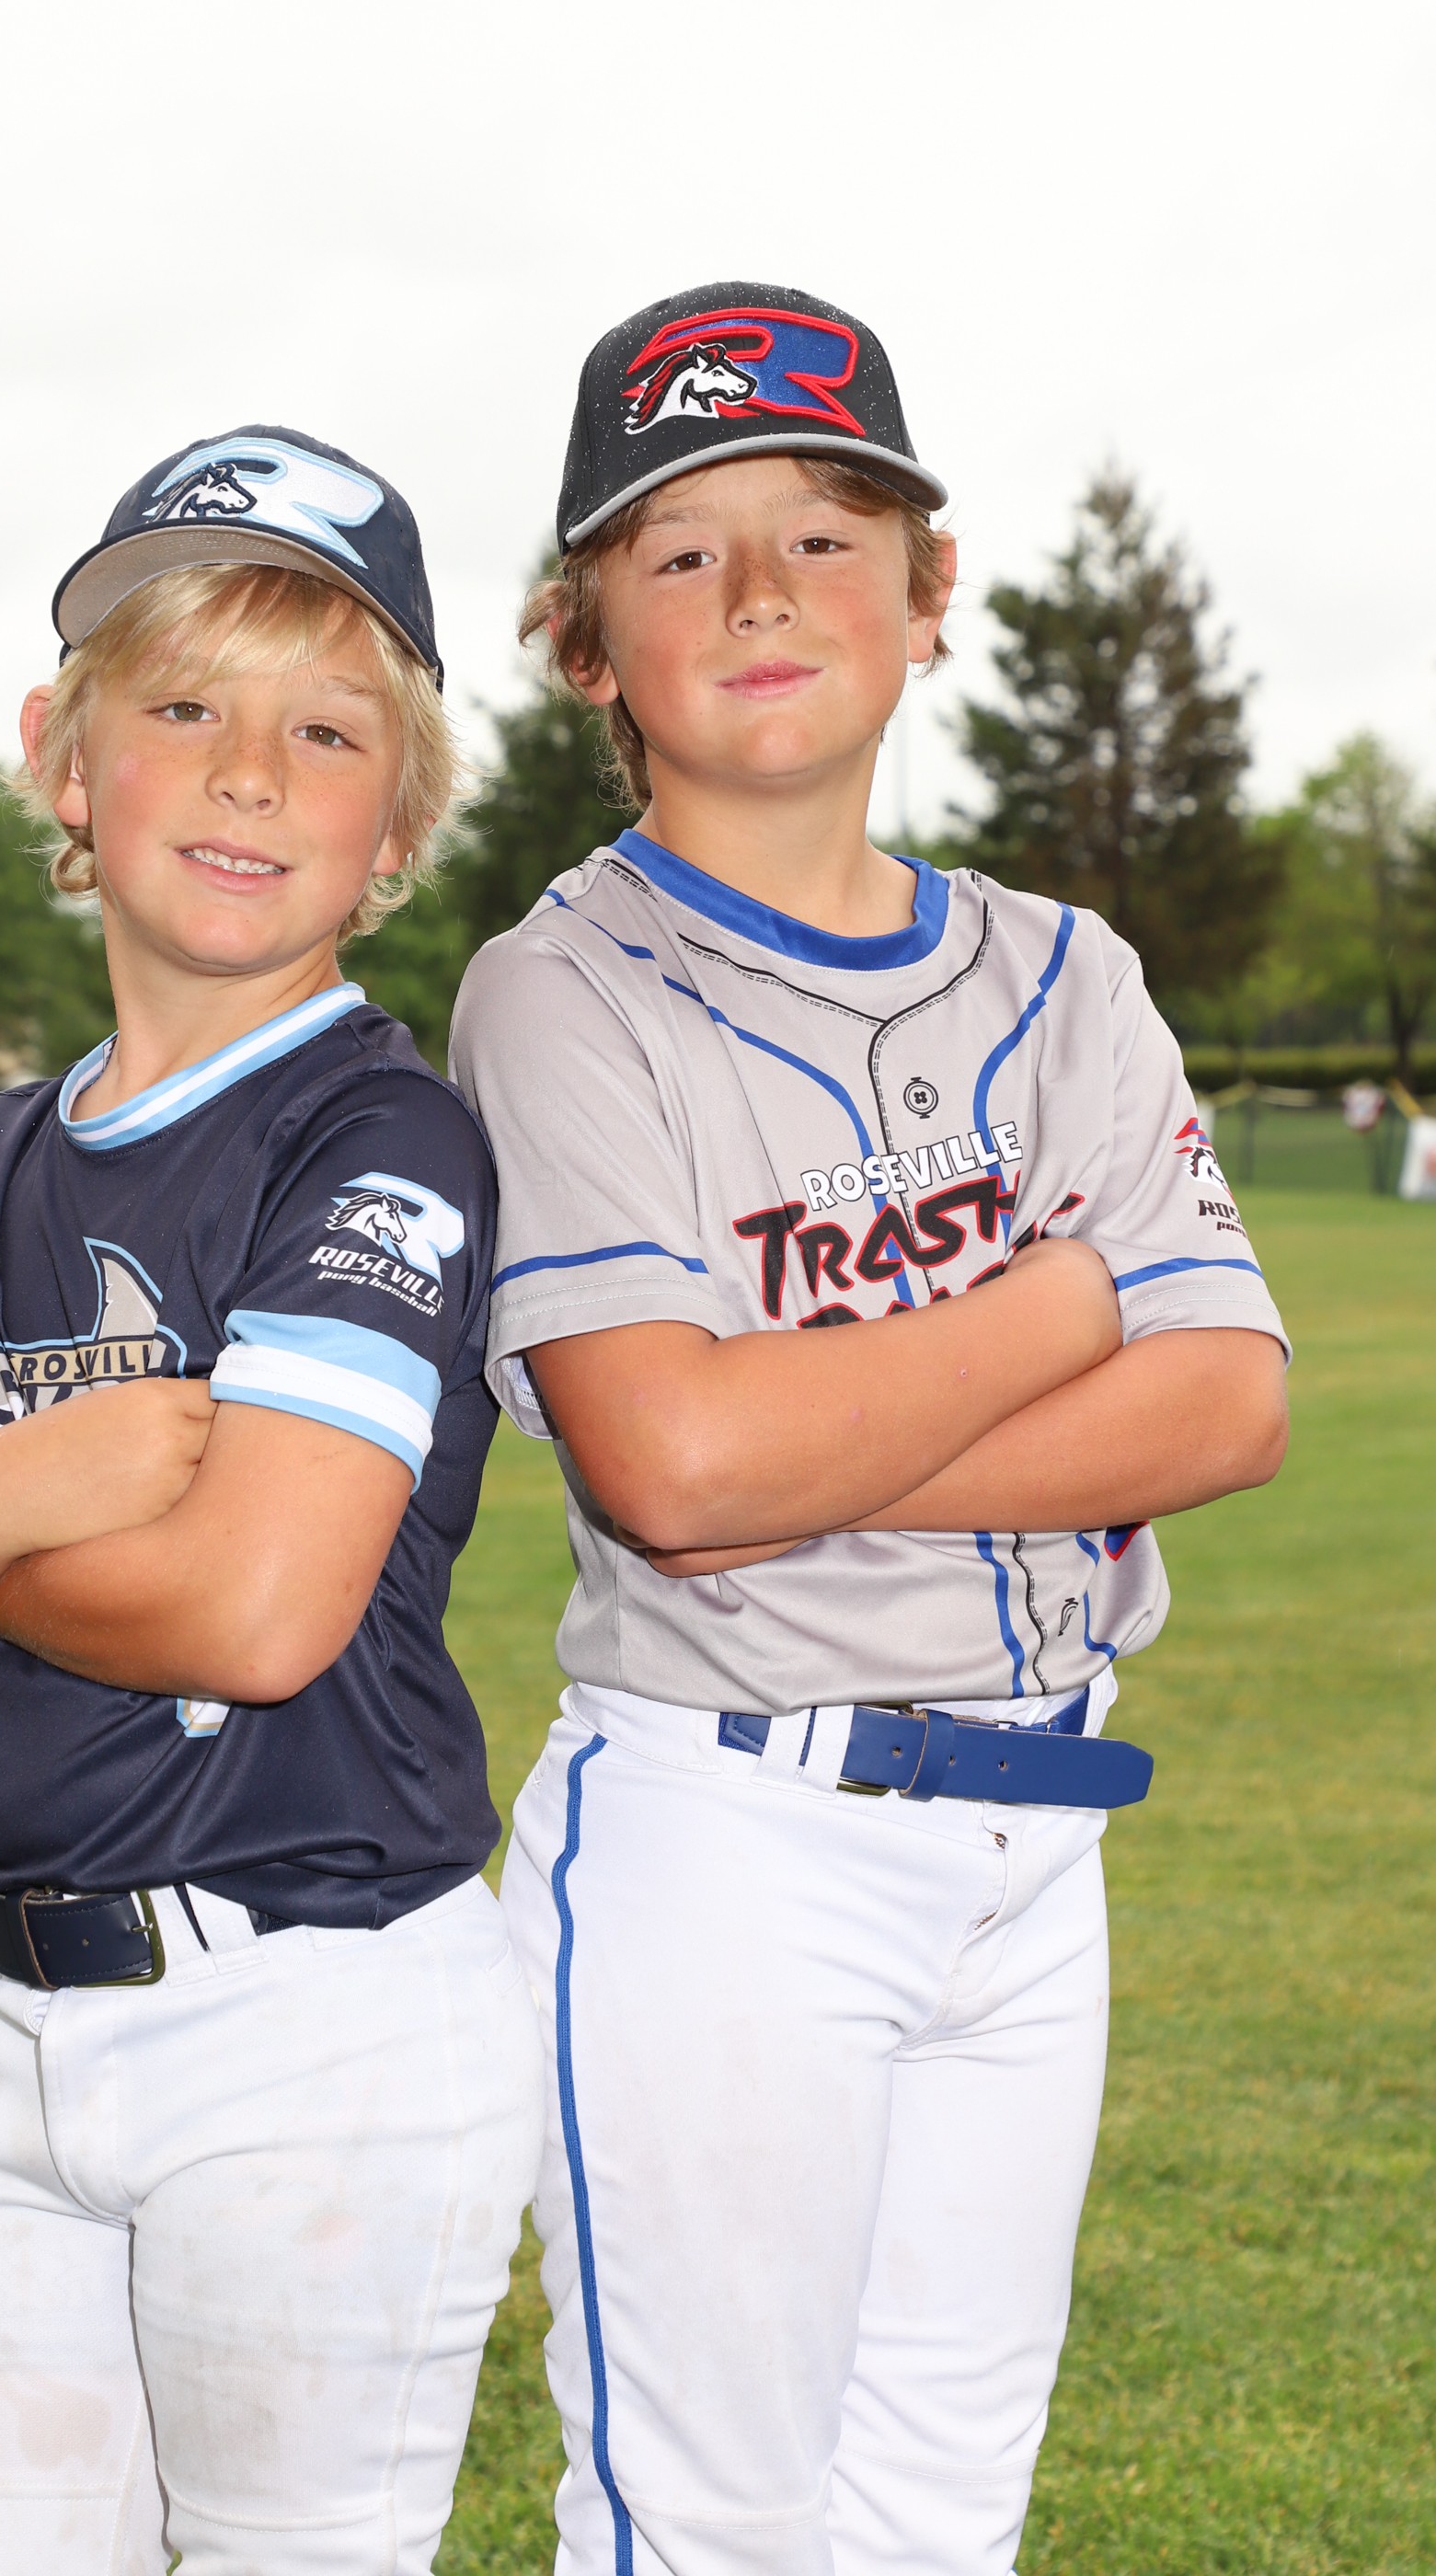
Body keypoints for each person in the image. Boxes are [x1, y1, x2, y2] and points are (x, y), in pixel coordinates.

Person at [449, 283, 1292, 2576]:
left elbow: (1224, 1400)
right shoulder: (557, 990)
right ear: (584, 644)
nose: (756, 589)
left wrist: (776, 1436)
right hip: (734, 1845)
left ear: (927, 598)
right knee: (706, 2527)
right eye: (677, 548)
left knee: (936, 2521)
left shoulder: (1066, 970)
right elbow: (672, 1475)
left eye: (824, 535)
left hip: (1037, 1840)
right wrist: (1061, 1297)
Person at [0, 427, 544, 2576]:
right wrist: (18, 1489)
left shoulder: (373, 1136)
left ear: (399, 823)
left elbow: (252, 1614)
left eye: (326, 730)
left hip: (310, 2026)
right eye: (181, 705)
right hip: (12, 2027)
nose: (249, 772)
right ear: (62, 756)